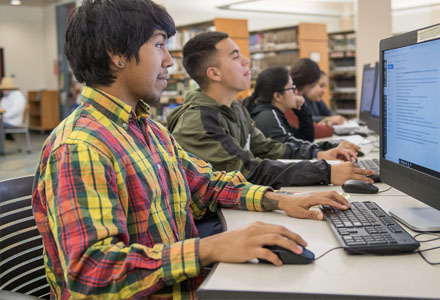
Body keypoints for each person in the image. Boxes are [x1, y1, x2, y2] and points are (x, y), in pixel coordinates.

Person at [31, 1, 353, 299]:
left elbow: (205, 184)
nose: (170, 61)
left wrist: (281, 199)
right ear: (117, 54)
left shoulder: (148, 129)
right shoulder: (80, 148)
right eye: (159, 45)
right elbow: (91, 274)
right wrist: (209, 248)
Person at [167, 31, 374, 189]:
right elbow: (248, 171)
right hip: (212, 221)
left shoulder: (235, 108)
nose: (246, 61)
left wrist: (319, 153)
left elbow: (269, 148)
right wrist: (326, 171)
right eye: (235, 56)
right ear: (214, 73)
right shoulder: (198, 122)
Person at [244, 66, 358, 154]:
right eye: (292, 88)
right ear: (278, 96)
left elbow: (306, 138)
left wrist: (301, 110)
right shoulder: (269, 116)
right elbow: (292, 149)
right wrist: (333, 147)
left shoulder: (274, 113)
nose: (296, 92)